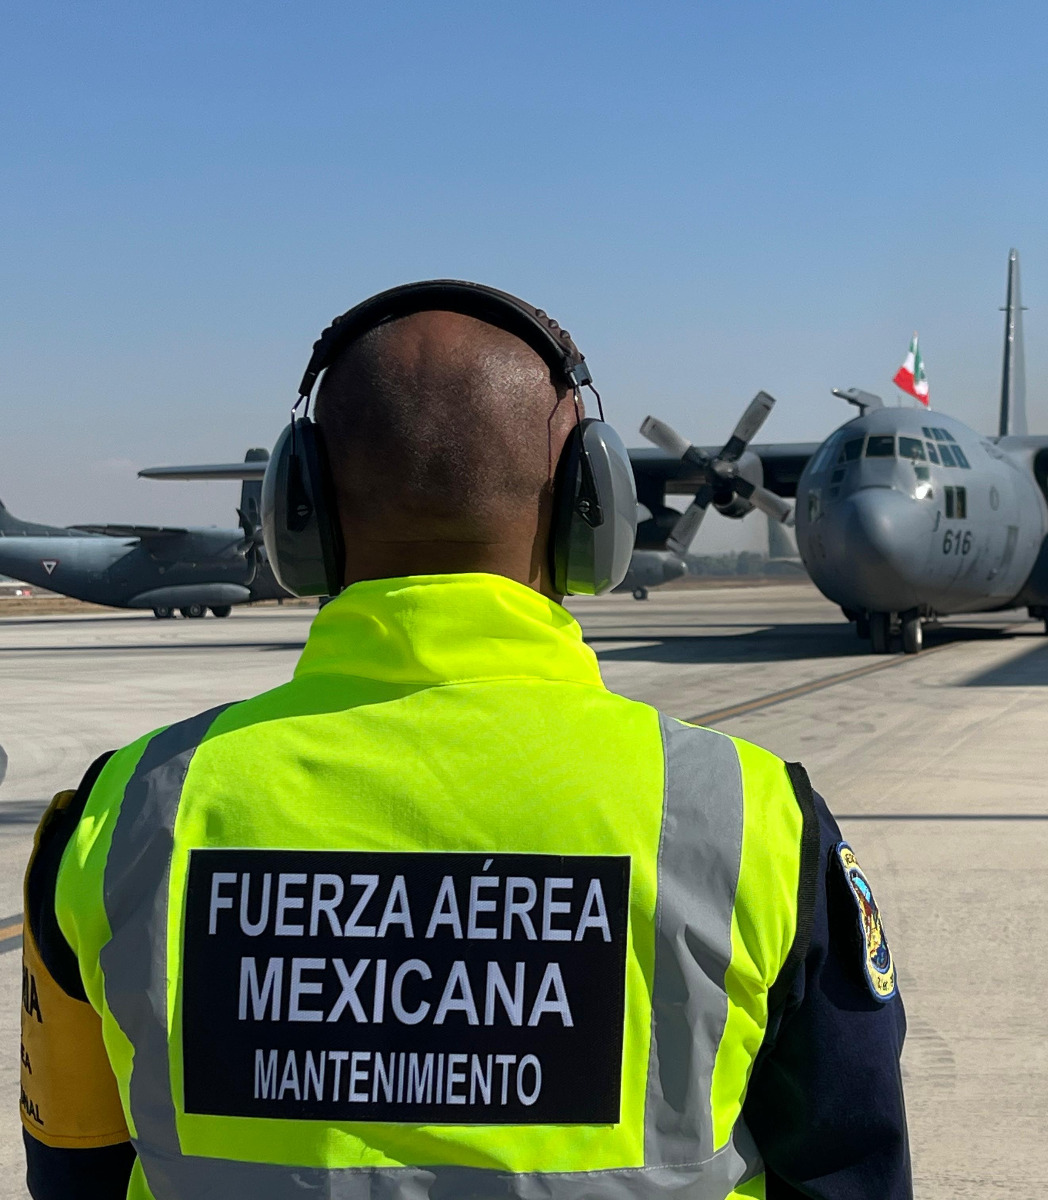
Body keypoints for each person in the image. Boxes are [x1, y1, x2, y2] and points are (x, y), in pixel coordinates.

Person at [20, 282, 913, 1199]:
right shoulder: (752, 823)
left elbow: (75, 1169)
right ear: (591, 504)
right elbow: (852, 1170)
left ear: (299, 511)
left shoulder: (121, 819)